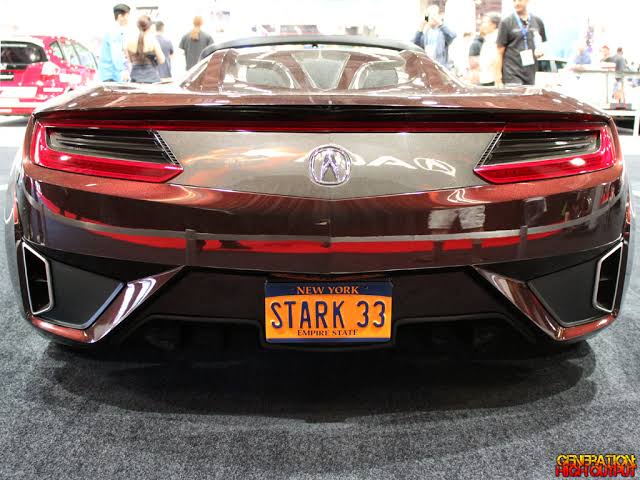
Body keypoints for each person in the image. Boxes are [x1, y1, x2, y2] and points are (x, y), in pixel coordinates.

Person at [495, 0, 547, 86]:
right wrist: (498, 78)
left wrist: (540, 50)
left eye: (520, 0)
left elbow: (542, 43)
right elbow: (499, 52)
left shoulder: (537, 21)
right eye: (514, 1)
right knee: (515, 93)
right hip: (511, 73)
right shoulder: (506, 22)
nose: (517, 3)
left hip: (530, 73)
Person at [412, 5, 457, 69]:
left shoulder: (442, 32)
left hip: (440, 67)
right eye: (429, 15)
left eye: (433, 14)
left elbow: (452, 36)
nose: (431, 17)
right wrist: (422, 24)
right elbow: (415, 44)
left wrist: (439, 22)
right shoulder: (425, 32)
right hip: (428, 67)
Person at [126, 16, 165, 83]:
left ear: (137, 26)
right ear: (150, 27)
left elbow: (130, 60)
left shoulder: (129, 41)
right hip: (152, 78)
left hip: (135, 78)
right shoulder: (152, 41)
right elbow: (161, 60)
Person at [98, 3, 131, 82]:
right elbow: (116, 54)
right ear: (120, 16)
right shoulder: (115, 31)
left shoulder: (113, 30)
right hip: (111, 75)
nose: (128, 19)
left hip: (109, 75)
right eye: (127, 16)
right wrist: (122, 70)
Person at [477, 12, 501, 86]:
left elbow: (495, 59)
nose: (482, 25)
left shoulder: (496, 39)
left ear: (493, 25)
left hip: (492, 80)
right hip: (486, 78)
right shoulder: (489, 38)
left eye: (485, 22)